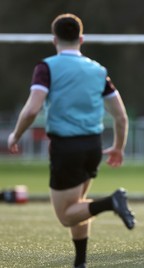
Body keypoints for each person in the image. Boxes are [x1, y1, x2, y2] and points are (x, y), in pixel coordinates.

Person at [7, 14, 135, 268]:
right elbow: (120, 117)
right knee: (78, 206)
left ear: (54, 39)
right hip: (92, 146)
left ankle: (112, 201)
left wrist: (16, 134)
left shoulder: (47, 67)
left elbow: (32, 110)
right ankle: (80, 262)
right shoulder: (99, 71)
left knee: (66, 216)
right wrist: (118, 147)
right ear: (82, 39)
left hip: (66, 147)